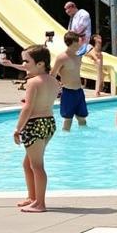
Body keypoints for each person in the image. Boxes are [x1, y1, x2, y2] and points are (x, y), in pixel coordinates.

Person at [13, 45, 57, 213]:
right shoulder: (53, 80)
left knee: (37, 166)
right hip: (49, 123)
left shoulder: (33, 82)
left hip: (34, 124)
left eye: (27, 61)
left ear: (40, 64)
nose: (24, 64)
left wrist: (17, 129)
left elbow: (28, 108)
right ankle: (32, 197)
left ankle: (40, 203)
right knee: (28, 164)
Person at [51, 31, 88, 133]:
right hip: (68, 92)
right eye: (79, 41)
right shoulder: (61, 57)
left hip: (79, 92)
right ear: (74, 42)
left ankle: (84, 140)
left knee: (82, 119)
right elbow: (53, 74)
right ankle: (66, 143)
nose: (81, 43)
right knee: (68, 120)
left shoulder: (79, 56)